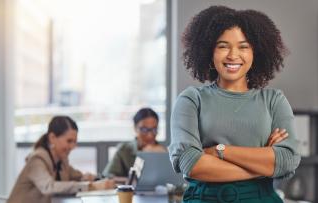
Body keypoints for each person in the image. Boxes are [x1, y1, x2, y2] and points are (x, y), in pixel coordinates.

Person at [169, 5, 301, 203]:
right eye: (223, 46)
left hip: (261, 199)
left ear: (255, 52)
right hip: (205, 199)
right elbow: (192, 164)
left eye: (243, 46)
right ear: (209, 51)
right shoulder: (191, 100)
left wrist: (219, 151)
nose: (233, 55)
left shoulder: (274, 100)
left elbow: (288, 161)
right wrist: (263, 164)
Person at [8, 116, 115, 203]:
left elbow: (76, 176)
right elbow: (49, 187)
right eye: (69, 141)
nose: (73, 146)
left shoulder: (61, 160)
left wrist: (89, 178)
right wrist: (91, 186)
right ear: (52, 138)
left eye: (75, 142)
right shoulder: (37, 159)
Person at [102, 107, 166, 179]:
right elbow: (107, 176)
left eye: (154, 129)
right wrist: (131, 181)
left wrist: (163, 155)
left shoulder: (164, 151)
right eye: (144, 129)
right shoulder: (124, 150)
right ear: (135, 128)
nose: (150, 135)